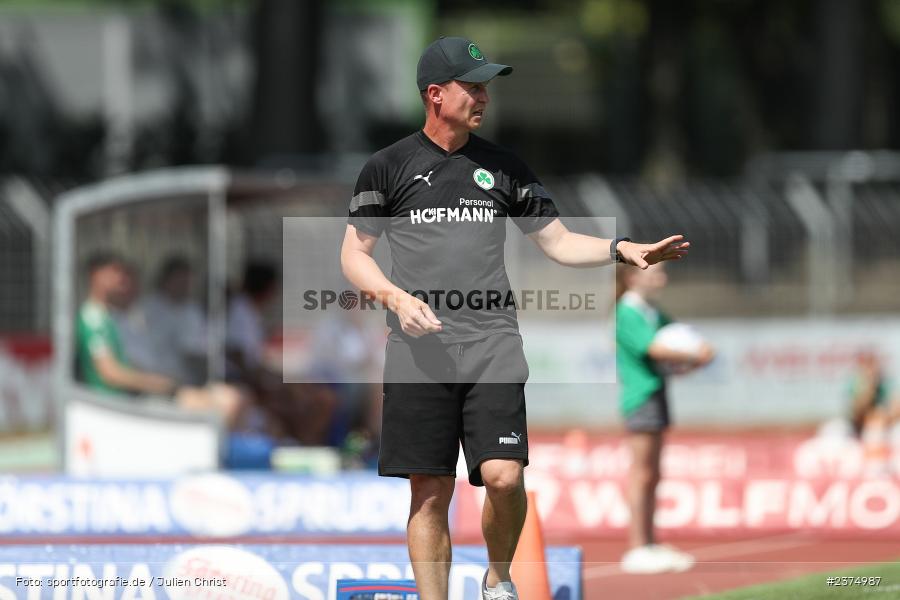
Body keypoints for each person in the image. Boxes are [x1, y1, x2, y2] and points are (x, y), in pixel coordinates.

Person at [340, 36, 689, 600]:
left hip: (492, 342)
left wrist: (621, 250)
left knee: (504, 477)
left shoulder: (503, 166)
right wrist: (398, 299)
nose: (483, 97)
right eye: (472, 86)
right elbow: (354, 256)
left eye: (485, 87)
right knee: (429, 492)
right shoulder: (386, 167)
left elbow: (557, 241)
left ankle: (497, 578)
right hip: (416, 351)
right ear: (435, 95)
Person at [615, 263, 714, 574]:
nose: (662, 277)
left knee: (653, 474)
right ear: (633, 276)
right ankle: (637, 545)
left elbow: (680, 336)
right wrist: (693, 356)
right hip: (640, 396)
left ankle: (650, 542)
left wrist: (700, 350)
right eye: (654, 271)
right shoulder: (627, 310)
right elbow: (656, 348)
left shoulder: (652, 311)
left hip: (656, 393)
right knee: (642, 473)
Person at [76, 252, 242, 426]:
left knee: (231, 399)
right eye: (114, 272)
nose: (120, 280)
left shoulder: (110, 316)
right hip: (117, 403)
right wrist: (159, 384)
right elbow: (111, 373)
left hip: (139, 393)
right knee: (224, 404)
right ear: (95, 275)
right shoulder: (93, 317)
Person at [847, 349, 900, 475]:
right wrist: (869, 387)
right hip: (859, 427)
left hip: (884, 425)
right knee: (873, 428)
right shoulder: (856, 383)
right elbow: (858, 412)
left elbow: (895, 408)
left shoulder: (886, 383)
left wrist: (882, 416)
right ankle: (875, 471)